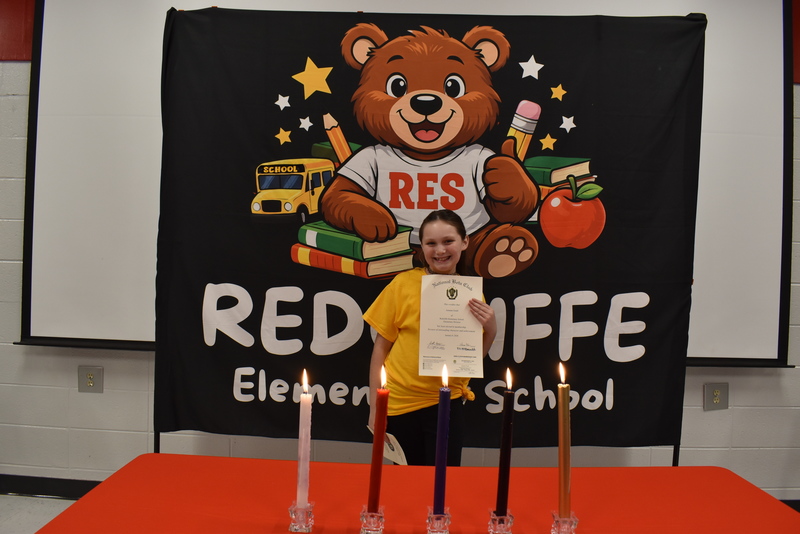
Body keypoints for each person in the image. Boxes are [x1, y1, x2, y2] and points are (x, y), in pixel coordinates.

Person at [364, 209, 497, 466]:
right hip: (400, 404)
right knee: (407, 486)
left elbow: (469, 358)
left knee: (443, 485)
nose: (440, 250)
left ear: (465, 241)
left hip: (446, 403)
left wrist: (491, 330)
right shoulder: (403, 284)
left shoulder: (470, 294)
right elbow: (380, 349)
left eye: (448, 241)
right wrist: (375, 408)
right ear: (421, 247)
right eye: (431, 243)